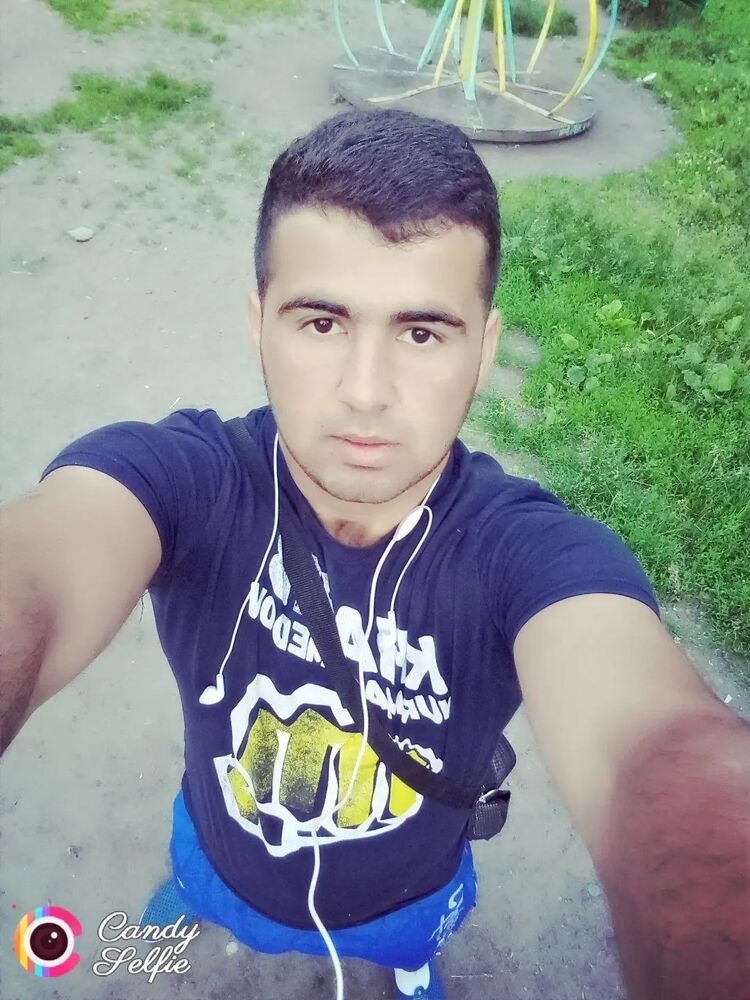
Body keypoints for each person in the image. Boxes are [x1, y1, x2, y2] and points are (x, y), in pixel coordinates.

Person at [1, 109, 748, 1000]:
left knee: (404, 947)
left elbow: (654, 747)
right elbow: (42, 566)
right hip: (219, 843)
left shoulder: (527, 554)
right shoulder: (186, 480)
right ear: (258, 324)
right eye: (321, 323)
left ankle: (406, 961)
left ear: (485, 350)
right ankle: (197, 897)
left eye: (422, 333)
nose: (365, 392)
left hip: (408, 897)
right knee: (200, 882)